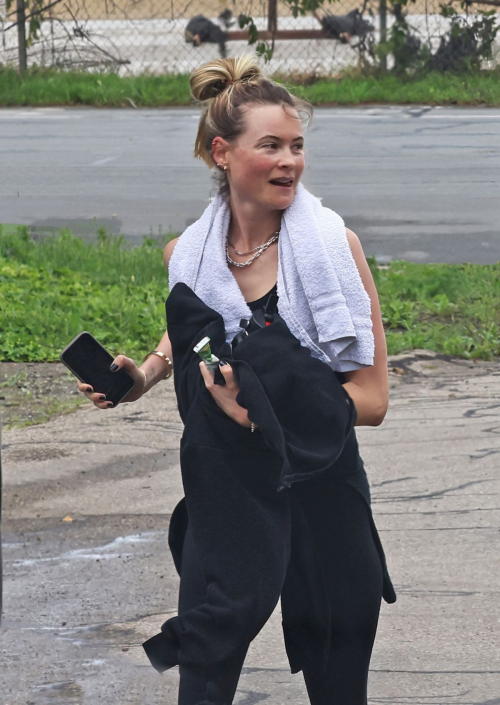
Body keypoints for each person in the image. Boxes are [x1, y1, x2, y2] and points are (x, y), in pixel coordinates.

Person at [77, 54, 392, 704]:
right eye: (270, 145)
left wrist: (263, 415)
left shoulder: (335, 250)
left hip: (322, 490)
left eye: (297, 145)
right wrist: (141, 376)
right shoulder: (188, 255)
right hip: (227, 495)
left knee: (338, 690)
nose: (289, 161)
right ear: (222, 152)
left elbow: (371, 398)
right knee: (204, 683)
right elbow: (198, 329)